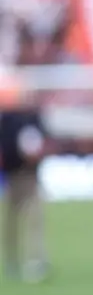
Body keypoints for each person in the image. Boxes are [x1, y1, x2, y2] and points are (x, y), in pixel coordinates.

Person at [0, 79, 48, 283]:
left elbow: (45, 141)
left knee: (35, 218)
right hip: (13, 175)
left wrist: (37, 156)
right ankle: (12, 259)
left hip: (31, 175)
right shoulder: (8, 119)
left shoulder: (35, 117)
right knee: (12, 220)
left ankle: (36, 260)